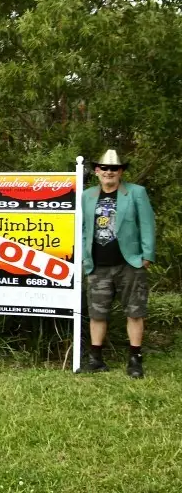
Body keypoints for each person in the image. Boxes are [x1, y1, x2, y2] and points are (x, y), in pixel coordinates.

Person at [81, 150, 155, 378]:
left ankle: (135, 360)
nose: (109, 172)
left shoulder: (136, 193)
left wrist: (147, 256)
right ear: (97, 171)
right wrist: (85, 258)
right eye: (104, 168)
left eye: (114, 168)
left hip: (129, 264)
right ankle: (95, 359)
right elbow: (84, 228)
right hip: (98, 265)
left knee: (134, 312)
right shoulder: (87, 195)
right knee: (97, 313)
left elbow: (148, 224)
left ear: (121, 171)